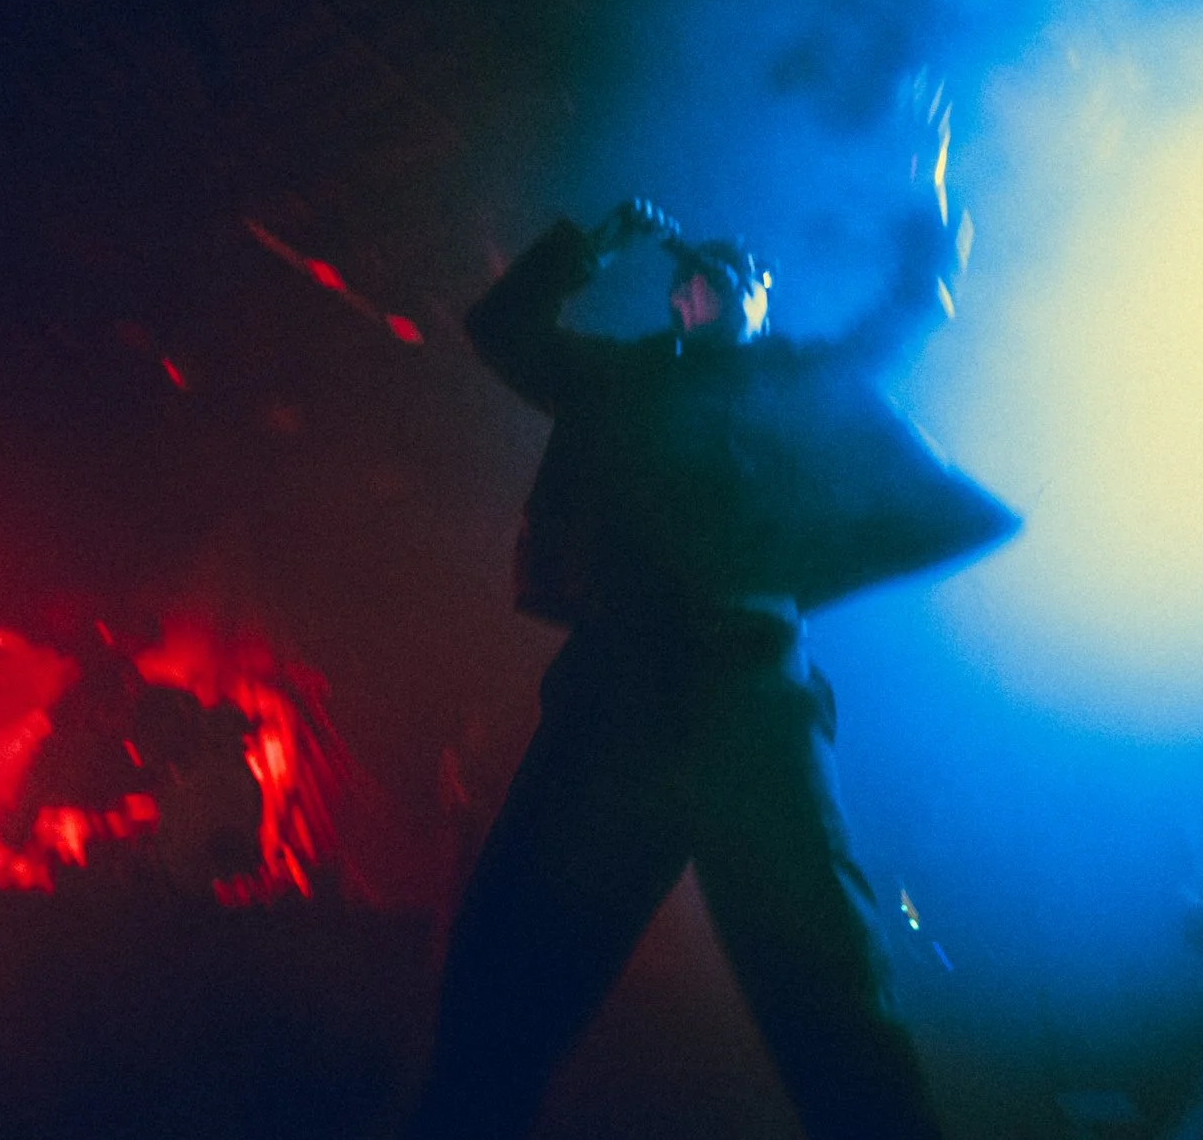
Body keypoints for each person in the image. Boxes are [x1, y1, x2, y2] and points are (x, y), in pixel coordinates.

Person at [409, 196, 1017, 1139]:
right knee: (508, 972)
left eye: (737, 268)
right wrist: (595, 245)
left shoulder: (798, 382)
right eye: (694, 271)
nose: (711, 277)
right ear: (676, 300)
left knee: (829, 989)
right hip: (616, 697)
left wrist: (930, 219)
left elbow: (901, 319)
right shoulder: (620, 380)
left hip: (750, 701)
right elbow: (502, 329)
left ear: (763, 295)